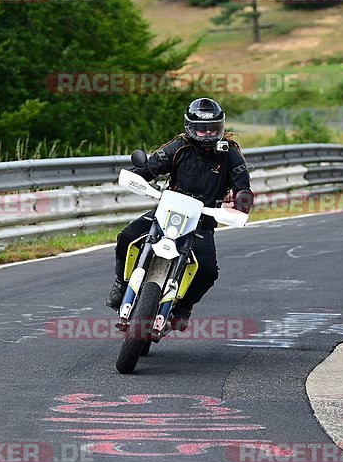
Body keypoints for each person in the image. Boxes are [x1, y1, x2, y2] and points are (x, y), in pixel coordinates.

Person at [106, 97, 254, 331]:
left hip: (202, 221)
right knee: (126, 237)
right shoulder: (179, 147)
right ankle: (121, 284)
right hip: (167, 212)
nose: (206, 134)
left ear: (221, 128)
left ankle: (183, 308)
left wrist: (243, 200)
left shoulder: (230, 155)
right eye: (201, 129)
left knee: (207, 272)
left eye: (212, 129)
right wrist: (138, 176)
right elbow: (151, 166)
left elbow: (242, 185)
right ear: (189, 128)